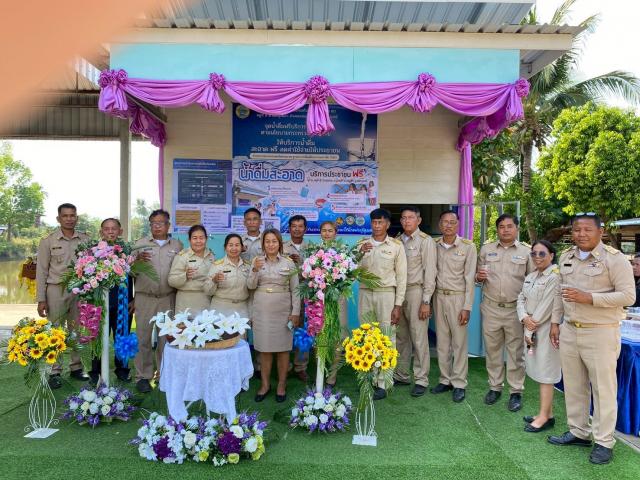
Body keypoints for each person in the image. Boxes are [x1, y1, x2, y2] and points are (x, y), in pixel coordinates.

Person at [547, 213, 635, 464]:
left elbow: (628, 296)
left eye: (587, 229)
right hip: (570, 330)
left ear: (600, 232)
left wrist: (590, 298)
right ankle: (579, 432)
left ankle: (604, 441)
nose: (581, 234)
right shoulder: (567, 257)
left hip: (601, 331)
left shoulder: (614, 259)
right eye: (577, 230)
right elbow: (559, 293)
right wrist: (555, 322)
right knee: (574, 385)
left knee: (603, 389)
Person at [476, 214, 533, 412]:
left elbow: (532, 281)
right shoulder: (486, 249)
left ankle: (516, 391)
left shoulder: (526, 252)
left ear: (517, 228)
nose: (506, 230)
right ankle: (495, 387)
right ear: (497, 229)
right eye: (501, 226)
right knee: (492, 350)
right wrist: (478, 276)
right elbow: (477, 277)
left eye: (510, 226)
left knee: (516, 352)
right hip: (491, 307)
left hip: (515, 310)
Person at [35, 203, 90, 388]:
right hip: (56, 289)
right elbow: (41, 271)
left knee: (76, 330)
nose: (69, 219)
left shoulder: (85, 240)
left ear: (77, 218)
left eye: (72, 215)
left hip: (79, 290)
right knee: (55, 330)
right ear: (58, 219)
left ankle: (76, 367)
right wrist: (41, 299)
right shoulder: (48, 241)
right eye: (65, 216)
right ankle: (54, 371)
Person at [358, 208, 407, 400]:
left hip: (386, 294)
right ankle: (369, 377)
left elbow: (402, 277)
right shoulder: (362, 244)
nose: (377, 226)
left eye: (380, 222)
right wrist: (359, 254)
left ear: (387, 224)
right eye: (374, 222)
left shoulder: (396, 246)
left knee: (387, 337)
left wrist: (398, 305)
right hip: (365, 294)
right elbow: (351, 270)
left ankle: (384, 382)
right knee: (366, 336)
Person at [133, 209, 183, 393]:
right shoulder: (139, 245)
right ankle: (143, 376)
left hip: (167, 299)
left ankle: (164, 375)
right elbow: (128, 272)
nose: (157, 226)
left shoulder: (177, 245)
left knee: (166, 340)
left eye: (161, 223)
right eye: (154, 223)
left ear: (168, 225)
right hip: (144, 298)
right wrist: (135, 260)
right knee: (143, 339)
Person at [248, 229, 300, 403]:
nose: (271, 244)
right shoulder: (256, 261)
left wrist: (295, 313)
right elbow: (250, 286)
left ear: (279, 244)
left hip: (283, 312)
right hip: (262, 312)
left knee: (283, 350)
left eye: (274, 241)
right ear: (263, 244)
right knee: (264, 350)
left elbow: (296, 290)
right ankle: (265, 385)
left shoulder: (288, 263)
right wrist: (254, 270)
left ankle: (281, 385)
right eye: (267, 241)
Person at [517, 240, 562, 433]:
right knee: (539, 370)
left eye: (542, 253)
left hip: (545, 329)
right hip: (531, 325)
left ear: (551, 255)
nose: (537, 257)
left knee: (546, 373)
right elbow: (521, 298)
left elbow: (546, 306)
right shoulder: (532, 275)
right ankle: (546, 414)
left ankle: (544, 417)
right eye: (534, 253)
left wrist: (529, 327)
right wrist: (524, 317)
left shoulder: (555, 276)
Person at [431, 210, 476, 403]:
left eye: (452, 222)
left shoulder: (468, 247)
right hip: (439, 297)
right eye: (445, 222)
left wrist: (467, 307)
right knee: (442, 342)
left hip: (458, 298)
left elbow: (470, 279)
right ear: (440, 225)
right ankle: (445, 379)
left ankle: (459, 383)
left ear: (458, 224)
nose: (448, 225)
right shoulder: (433, 246)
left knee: (459, 343)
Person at [393, 206, 437, 397]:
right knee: (401, 337)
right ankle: (401, 374)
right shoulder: (396, 240)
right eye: (403, 218)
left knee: (419, 337)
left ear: (418, 220)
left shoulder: (426, 241)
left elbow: (430, 272)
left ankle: (421, 379)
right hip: (398, 293)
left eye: (410, 217)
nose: (406, 221)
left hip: (415, 292)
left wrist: (426, 301)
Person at [89, 218, 134, 384]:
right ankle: (95, 372)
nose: (110, 231)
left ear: (120, 231)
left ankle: (122, 370)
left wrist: (134, 299)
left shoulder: (127, 251)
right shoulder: (92, 253)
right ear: (101, 232)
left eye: (114, 228)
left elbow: (136, 277)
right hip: (99, 303)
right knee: (98, 338)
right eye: (106, 229)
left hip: (123, 302)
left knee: (122, 336)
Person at [319, 221, 349, 388]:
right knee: (321, 335)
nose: (327, 233)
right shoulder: (314, 252)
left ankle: (332, 374)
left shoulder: (343, 252)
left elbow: (349, 275)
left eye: (330, 230)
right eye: (324, 230)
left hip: (338, 299)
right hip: (320, 300)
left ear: (335, 232)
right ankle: (320, 371)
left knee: (338, 337)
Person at [282, 215, 309, 382]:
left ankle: (301, 366)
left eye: (300, 226)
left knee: (303, 331)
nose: (297, 229)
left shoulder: (312, 247)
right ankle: (285, 366)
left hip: (305, 293)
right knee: (284, 329)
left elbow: (317, 271)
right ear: (289, 228)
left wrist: (302, 263)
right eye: (294, 226)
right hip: (286, 294)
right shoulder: (282, 247)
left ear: (305, 229)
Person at [168, 224, 215, 315]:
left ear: (206, 239)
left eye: (201, 238)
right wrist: (185, 275)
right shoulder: (182, 256)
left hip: (205, 301)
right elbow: (171, 281)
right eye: (195, 238)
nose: (198, 241)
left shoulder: (211, 256)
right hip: (186, 302)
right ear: (189, 240)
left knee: (205, 324)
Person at [204, 234, 250, 318]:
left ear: (242, 247)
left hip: (242, 309)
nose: (234, 248)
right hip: (221, 309)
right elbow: (207, 291)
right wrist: (214, 281)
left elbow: (252, 288)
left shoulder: (248, 266)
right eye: (230, 245)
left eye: (237, 245)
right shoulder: (217, 265)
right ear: (225, 247)